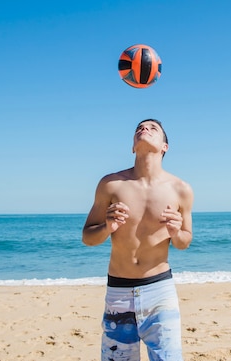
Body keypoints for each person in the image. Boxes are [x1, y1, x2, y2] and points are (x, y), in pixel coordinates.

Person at [82, 118, 194, 361]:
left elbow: (185, 242)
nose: (144, 129)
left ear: (165, 146)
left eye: (153, 128)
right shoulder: (111, 184)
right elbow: (88, 237)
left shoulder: (181, 189)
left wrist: (176, 232)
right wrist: (107, 226)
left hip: (159, 290)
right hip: (118, 294)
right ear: (133, 146)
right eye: (139, 128)